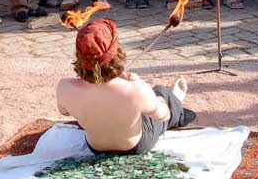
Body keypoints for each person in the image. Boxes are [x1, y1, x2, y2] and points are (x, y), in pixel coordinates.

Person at [56, 18, 196, 154]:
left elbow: (65, 112)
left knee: (136, 104)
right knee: (161, 92)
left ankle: (162, 103)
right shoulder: (136, 89)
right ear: (116, 52)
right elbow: (163, 116)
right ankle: (176, 103)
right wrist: (143, 89)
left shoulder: (64, 87)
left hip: (95, 148)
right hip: (136, 146)